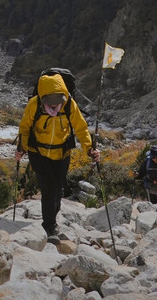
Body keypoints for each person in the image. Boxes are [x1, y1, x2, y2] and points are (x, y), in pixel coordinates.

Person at [16, 72, 99, 242]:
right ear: (43, 96)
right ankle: (49, 226)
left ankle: (52, 220)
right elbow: (25, 128)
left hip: (62, 153)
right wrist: (22, 148)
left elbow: (81, 129)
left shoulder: (69, 104)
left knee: (59, 190)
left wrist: (90, 149)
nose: (54, 104)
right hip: (38, 152)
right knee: (49, 189)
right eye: (50, 100)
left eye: (57, 100)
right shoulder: (34, 104)